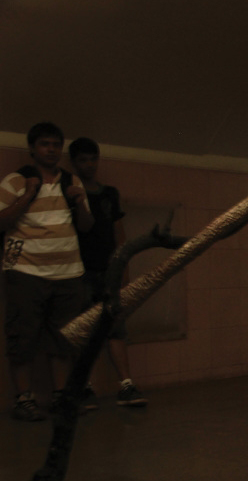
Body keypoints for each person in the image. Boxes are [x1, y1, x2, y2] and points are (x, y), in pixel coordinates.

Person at [0, 122, 94, 421]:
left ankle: (60, 397)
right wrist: (27, 195)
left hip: (68, 274)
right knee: (23, 336)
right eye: (44, 144)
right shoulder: (15, 181)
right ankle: (23, 399)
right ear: (32, 148)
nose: (51, 149)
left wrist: (80, 203)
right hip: (25, 271)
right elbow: (1, 222)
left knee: (64, 339)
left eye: (56, 144)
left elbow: (87, 227)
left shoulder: (72, 182)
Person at [69, 138, 148, 407]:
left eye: (93, 159)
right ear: (74, 163)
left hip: (107, 271)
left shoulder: (108, 194)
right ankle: (85, 387)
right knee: (84, 330)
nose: (89, 165)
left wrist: (122, 268)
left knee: (115, 328)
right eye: (83, 160)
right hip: (79, 271)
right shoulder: (69, 193)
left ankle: (126, 384)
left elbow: (119, 233)